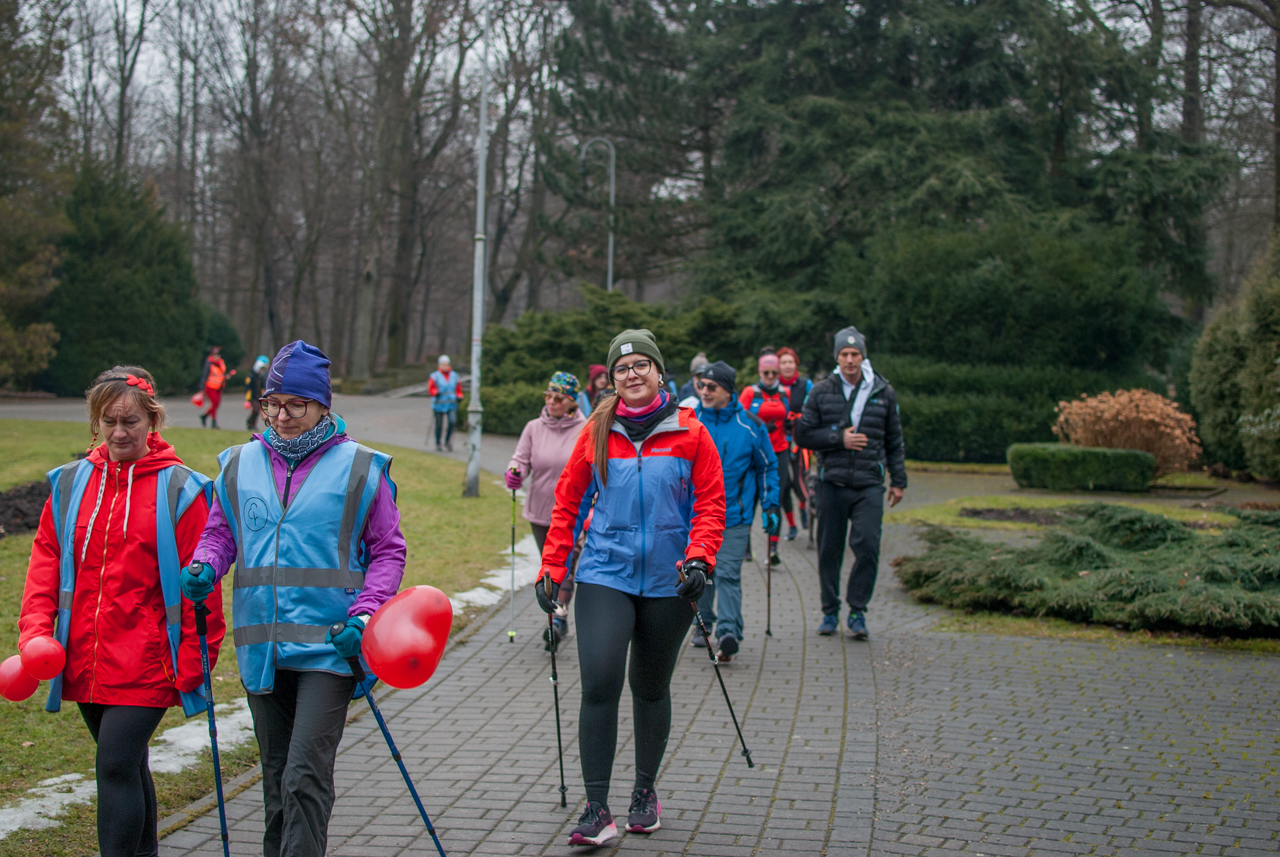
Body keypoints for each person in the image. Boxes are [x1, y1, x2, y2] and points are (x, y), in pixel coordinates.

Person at [182, 340, 406, 857]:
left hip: (332, 647)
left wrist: (366, 614)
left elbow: (388, 552)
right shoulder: (238, 464)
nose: (281, 415)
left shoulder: (362, 468)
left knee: (305, 776)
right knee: (277, 779)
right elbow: (222, 533)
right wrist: (205, 565)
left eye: (295, 405)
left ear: (323, 406)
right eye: (272, 403)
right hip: (262, 647)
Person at [20, 366, 225, 857]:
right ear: (95, 422)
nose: (119, 432)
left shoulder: (180, 490)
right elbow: (45, 559)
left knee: (113, 765)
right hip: (83, 655)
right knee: (127, 766)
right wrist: (35, 631)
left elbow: (205, 588)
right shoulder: (71, 484)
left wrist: (198, 657)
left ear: (152, 422)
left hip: (149, 660)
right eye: (108, 421)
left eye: (130, 421)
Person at [535, 329, 725, 847]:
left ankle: (644, 792)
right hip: (604, 573)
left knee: (650, 686)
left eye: (642, 365)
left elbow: (709, 504)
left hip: (671, 580)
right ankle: (597, 807)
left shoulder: (692, 433)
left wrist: (700, 557)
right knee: (599, 681)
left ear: (660, 373)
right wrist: (553, 567)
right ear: (612, 379)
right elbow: (568, 502)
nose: (632, 374)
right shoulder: (596, 431)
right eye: (622, 368)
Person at [795, 326, 906, 640]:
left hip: (869, 482)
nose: (849, 360)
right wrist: (837, 438)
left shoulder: (882, 391)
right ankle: (830, 611)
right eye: (844, 354)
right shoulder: (821, 390)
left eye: (855, 354)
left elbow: (894, 439)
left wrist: (899, 480)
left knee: (868, 546)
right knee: (829, 550)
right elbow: (802, 435)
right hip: (831, 481)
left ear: (863, 356)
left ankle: (858, 611)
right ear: (837, 357)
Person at [691, 361, 778, 663]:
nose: (704, 391)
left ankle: (728, 632)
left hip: (734, 517)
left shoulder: (751, 426)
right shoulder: (690, 421)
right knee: (700, 573)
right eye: (701, 385)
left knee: (727, 573)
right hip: (695, 517)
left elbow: (767, 466)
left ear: (728, 391)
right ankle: (702, 624)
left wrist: (770, 505)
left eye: (712, 386)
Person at [506, 371, 588, 643]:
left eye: (559, 398)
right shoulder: (533, 427)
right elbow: (521, 459)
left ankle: (559, 619)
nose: (552, 402)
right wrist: (515, 471)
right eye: (548, 396)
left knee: (566, 564)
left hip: (573, 512)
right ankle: (554, 615)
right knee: (548, 567)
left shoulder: (584, 429)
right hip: (540, 510)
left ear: (572, 402)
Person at [738, 353, 791, 565]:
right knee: (751, 498)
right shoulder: (750, 392)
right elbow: (739, 419)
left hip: (779, 451)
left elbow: (790, 417)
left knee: (774, 496)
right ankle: (746, 546)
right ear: (760, 372)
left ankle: (772, 549)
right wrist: (759, 426)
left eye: (774, 372)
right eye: (766, 372)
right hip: (755, 453)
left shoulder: (784, 392)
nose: (770, 376)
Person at [777, 347, 814, 539]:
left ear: (796, 364)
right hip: (779, 442)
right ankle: (791, 525)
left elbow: (812, 410)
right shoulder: (773, 386)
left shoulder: (806, 385)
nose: (787, 366)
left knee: (801, 480)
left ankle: (804, 507)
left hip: (800, 441)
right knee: (783, 485)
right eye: (784, 362)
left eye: (790, 362)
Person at [428, 354, 465, 451]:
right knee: (439, 424)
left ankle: (448, 441)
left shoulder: (455, 376)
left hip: (451, 403)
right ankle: (438, 443)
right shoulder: (435, 376)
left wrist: (459, 396)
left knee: (452, 422)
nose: (445, 366)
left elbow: (458, 388)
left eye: (447, 364)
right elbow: (431, 388)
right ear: (439, 365)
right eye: (443, 364)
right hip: (439, 404)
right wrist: (435, 393)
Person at [199, 345, 229, 429]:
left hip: (219, 386)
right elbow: (205, 375)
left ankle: (205, 416)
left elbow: (220, 374)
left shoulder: (220, 362)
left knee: (216, 405)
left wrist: (225, 377)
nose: (217, 357)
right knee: (214, 404)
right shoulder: (209, 363)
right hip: (210, 387)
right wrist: (201, 388)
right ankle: (213, 422)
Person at [244, 354, 270, 431]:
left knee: (257, 411)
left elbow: (262, 387)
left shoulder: (261, 376)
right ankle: (250, 422)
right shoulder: (251, 376)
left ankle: (252, 424)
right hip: (253, 396)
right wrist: (247, 399)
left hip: (259, 396)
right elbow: (248, 388)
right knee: (255, 409)